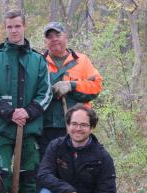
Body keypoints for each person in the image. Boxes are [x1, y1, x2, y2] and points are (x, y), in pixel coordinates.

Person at [0, 9, 52, 193]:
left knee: (28, 175)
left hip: (29, 129)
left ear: (24, 27)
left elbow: (46, 93)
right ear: (5, 29)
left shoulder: (37, 60)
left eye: (17, 26)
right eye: (9, 27)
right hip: (2, 128)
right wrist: (10, 113)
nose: (14, 30)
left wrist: (27, 113)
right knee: (1, 174)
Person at [39, 22, 102, 156]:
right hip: (45, 127)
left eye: (58, 34)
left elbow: (96, 87)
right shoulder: (38, 62)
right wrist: (50, 91)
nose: (54, 39)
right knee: (47, 166)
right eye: (50, 36)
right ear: (45, 41)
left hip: (76, 127)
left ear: (66, 37)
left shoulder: (82, 61)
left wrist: (72, 86)